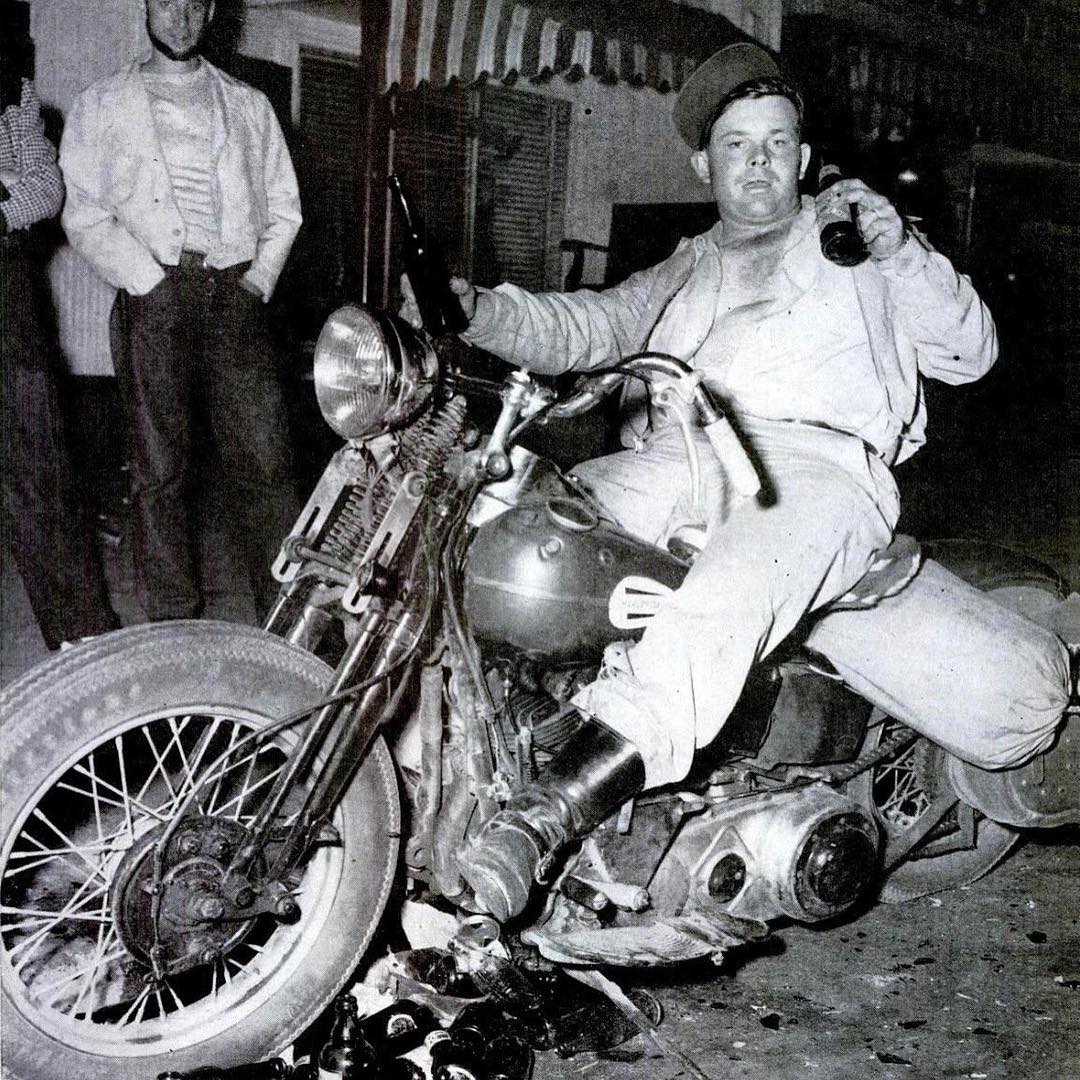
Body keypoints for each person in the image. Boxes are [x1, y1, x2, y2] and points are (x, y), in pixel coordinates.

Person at [400, 43, 1073, 923]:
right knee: (521, 531)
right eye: (736, 145)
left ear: (802, 156)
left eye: (776, 142)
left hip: (813, 469)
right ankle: (457, 754)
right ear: (704, 166)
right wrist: (476, 310)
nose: (758, 161)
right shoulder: (687, 264)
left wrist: (902, 250)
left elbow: (969, 351)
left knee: (727, 590)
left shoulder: (854, 242)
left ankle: (548, 815)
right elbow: (586, 327)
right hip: (680, 457)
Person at [58, 0, 302, 622]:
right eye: (168, 1)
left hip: (234, 298)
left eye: (196, 3)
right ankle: (173, 628)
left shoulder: (249, 104)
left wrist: (257, 281)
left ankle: (291, 624)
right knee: (158, 474)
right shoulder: (102, 103)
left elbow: (284, 208)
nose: (182, 17)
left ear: (212, 11)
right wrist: (147, 281)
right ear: (146, 5)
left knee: (266, 466)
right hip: (153, 298)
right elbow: (82, 211)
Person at [1, 46, 120, 651]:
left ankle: (82, 638)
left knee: (39, 464)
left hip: (7, 293)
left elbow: (47, 187)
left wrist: (4, 208)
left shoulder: (11, 88)